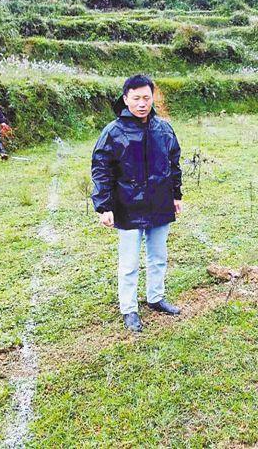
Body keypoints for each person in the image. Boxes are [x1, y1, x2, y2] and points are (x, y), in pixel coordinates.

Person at [91, 74, 183, 333]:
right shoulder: (113, 132)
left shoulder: (163, 128)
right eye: (136, 98)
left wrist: (176, 195)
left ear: (153, 97)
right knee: (129, 263)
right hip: (127, 206)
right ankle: (129, 308)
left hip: (159, 203)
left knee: (158, 257)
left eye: (146, 97)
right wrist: (104, 205)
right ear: (125, 99)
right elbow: (101, 169)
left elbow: (173, 163)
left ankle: (156, 298)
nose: (142, 103)